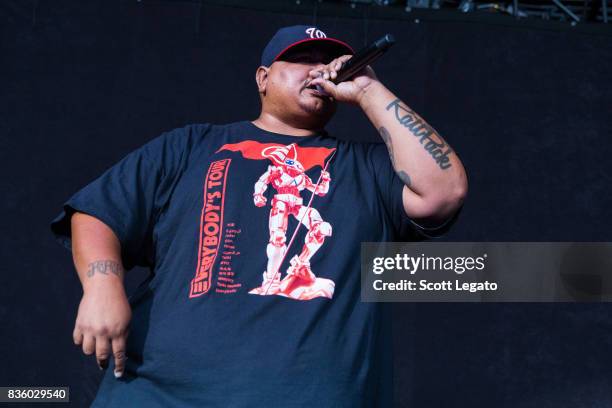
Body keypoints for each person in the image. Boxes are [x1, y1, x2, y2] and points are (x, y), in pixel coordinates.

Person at [51, 25, 467, 407]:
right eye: (302, 60)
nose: (317, 70)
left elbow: (443, 192)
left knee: (314, 232)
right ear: (263, 78)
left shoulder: (367, 168)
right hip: (160, 393)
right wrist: (103, 284)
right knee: (278, 236)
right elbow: (97, 211)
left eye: (326, 62)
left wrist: (369, 91)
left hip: (308, 397)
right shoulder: (192, 146)